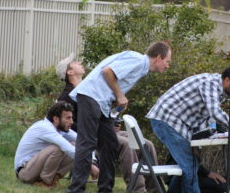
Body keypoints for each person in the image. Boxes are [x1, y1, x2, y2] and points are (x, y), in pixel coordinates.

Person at [65, 41, 171, 193]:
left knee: (110, 144)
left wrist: (116, 100)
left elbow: (111, 78)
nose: (167, 66)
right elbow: (108, 72)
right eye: (167, 61)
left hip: (102, 103)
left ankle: (105, 189)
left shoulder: (141, 68)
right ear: (158, 57)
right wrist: (120, 95)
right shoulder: (137, 59)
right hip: (91, 96)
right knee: (86, 143)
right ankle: (75, 190)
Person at [146, 66, 230, 193]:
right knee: (190, 168)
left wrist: (198, 138)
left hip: (177, 124)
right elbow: (214, 111)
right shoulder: (210, 84)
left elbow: (201, 116)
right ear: (227, 80)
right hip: (166, 119)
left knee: (188, 167)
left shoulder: (218, 90)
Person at [14, 101, 76, 187]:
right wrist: (89, 165)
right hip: (25, 173)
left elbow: (82, 142)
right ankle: (45, 181)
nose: (72, 122)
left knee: (75, 145)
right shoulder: (45, 127)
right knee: (58, 148)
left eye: (71, 118)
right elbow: (66, 147)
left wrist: (93, 161)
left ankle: (52, 179)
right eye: (68, 118)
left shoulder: (60, 128)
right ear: (56, 119)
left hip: (35, 168)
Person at [165, 154, 230, 193]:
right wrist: (207, 173)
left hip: (194, 173)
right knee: (224, 185)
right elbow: (186, 164)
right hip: (179, 178)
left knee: (229, 181)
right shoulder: (179, 139)